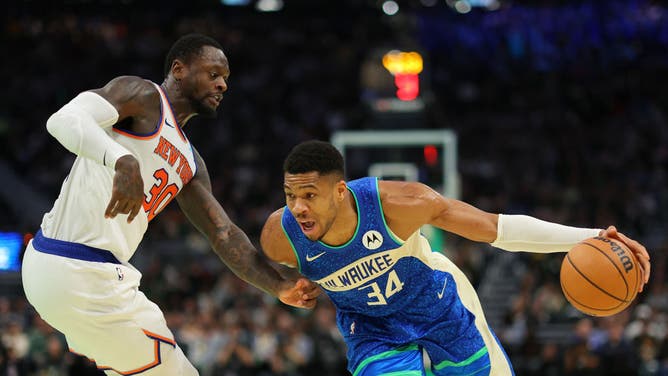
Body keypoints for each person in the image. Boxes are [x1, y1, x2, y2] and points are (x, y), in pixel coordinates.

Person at [21, 33, 319, 375]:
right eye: (213, 74)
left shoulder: (190, 162)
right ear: (179, 69)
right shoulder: (143, 96)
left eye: (226, 79)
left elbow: (223, 234)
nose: (222, 85)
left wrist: (278, 284)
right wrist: (122, 159)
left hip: (79, 273)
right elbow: (62, 120)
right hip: (77, 265)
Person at [260, 140, 652, 376]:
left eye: (309, 196)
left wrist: (592, 236)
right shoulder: (282, 237)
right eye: (290, 195)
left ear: (341, 192)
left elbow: (497, 229)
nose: (297, 207)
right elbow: (236, 247)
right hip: (372, 327)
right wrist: (279, 286)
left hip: (438, 302)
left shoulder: (403, 204)